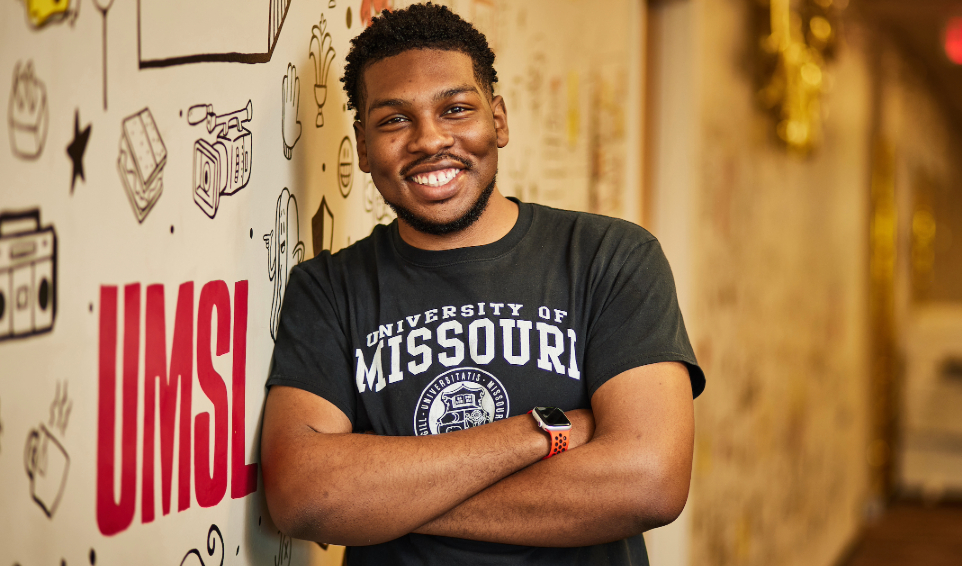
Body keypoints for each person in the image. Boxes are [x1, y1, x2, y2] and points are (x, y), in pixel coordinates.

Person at [261, 3, 706, 564]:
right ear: (365, 146)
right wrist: (540, 434)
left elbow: (650, 482)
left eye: (456, 109)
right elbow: (302, 496)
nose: (429, 140)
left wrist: (388, 498)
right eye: (395, 120)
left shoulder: (610, 257)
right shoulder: (328, 289)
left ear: (497, 119)